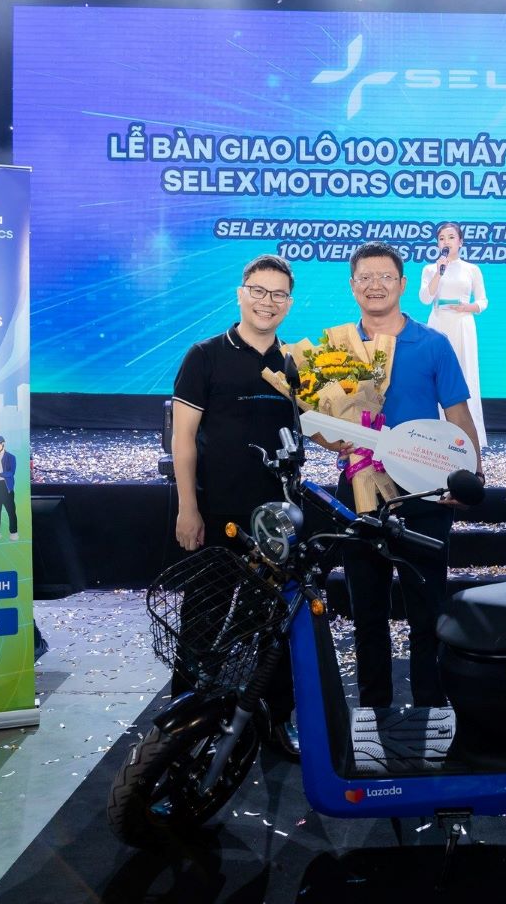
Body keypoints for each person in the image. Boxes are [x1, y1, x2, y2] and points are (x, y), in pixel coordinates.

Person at [323, 241, 485, 710]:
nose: (375, 285)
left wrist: (471, 475)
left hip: (425, 491)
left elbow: (458, 415)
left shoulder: (432, 344)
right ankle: (374, 710)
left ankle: (431, 707)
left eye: (385, 277)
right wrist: (332, 439)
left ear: (402, 284)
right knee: (366, 611)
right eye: (365, 278)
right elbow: (325, 423)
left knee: (427, 610)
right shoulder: (336, 348)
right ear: (352, 285)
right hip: (359, 488)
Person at [171, 254, 302, 752]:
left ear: (289, 303)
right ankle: (185, 723)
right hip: (217, 513)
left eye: (278, 294)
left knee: (276, 625)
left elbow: (314, 430)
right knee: (203, 617)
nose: (268, 302)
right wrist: (188, 508)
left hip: (278, 519)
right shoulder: (204, 355)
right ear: (240, 294)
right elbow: (183, 440)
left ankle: (277, 721)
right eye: (258, 291)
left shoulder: (296, 362)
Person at [417, 222, 488, 446]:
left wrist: (468, 307)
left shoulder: (471, 269)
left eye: (450, 237)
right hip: (438, 323)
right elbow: (425, 298)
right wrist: (439, 272)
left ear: (460, 241)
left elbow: (483, 301)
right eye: (441, 238)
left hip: (463, 323)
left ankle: (468, 435)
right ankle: (435, 434)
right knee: (435, 375)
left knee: (464, 373)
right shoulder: (430, 269)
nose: (446, 242)